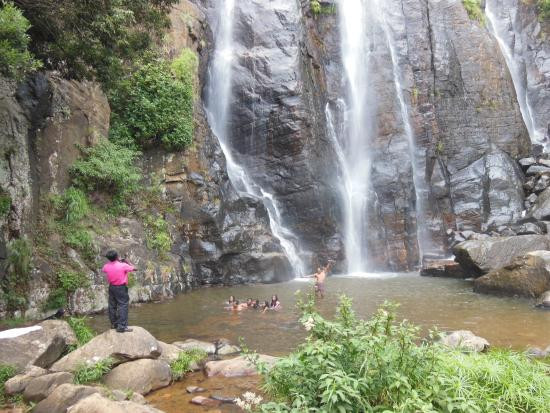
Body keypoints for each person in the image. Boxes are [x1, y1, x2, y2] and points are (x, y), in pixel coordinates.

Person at [102, 250, 135, 333]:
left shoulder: (106, 266)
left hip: (112, 287)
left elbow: (105, 269)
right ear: (117, 257)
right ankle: (122, 326)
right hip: (121, 288)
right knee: (123, 305)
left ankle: (114, 324)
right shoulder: (123, 265)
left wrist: (117, 261)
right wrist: (126, 261)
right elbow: (135, 268)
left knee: (112, 306)